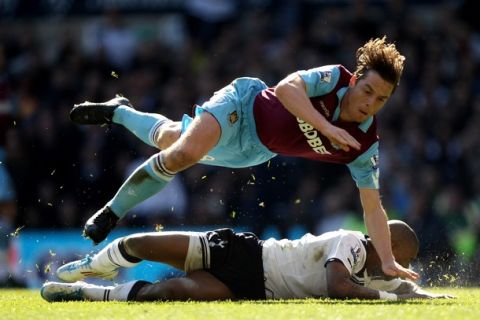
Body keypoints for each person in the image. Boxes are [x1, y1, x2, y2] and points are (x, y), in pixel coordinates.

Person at [69, 36, 417, 280]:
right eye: (368, 91)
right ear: (356, 80)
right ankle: (112, 212)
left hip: (253, 151)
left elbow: (373, 207)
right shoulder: (335, 78)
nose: (369, 103)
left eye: (381, 100)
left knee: (169, 139)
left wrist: (387, 261)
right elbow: (285, 88)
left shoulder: (364, 144)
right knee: (185, 153)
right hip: (243, 104)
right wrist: (325, 127)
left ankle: (119, 112)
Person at [40, 220, 452, 302]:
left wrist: (428, 297)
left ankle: (83, 293)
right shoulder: (352, 243)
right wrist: (395, 299)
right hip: (247, 253)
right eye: (401, 258)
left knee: (168, 292)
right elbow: (338, 287)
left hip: (251, 288)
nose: (398, 266)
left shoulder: (377, 273)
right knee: (147, 243)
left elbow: (407, 288)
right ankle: (98, 262)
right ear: (386, 246)